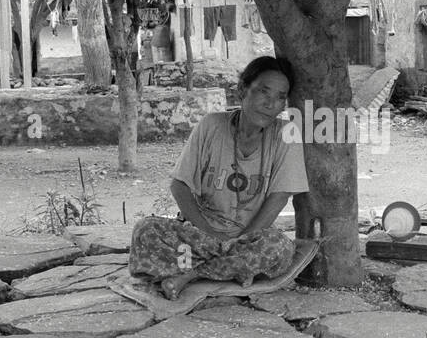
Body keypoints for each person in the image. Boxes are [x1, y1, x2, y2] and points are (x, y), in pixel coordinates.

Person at [129, 56, 309, 298]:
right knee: (146, 230)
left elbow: (279, 198)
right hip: (200, 234)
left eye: (280, 97)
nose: (271, 104)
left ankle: (190, 273)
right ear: (242, 89)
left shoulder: (287, 134)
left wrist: (240, 240)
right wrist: (208, 233)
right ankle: (227, 268)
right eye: (264, 92)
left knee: (279, 249)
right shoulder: (211, 125)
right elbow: (179, 186)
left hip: (251, 238)